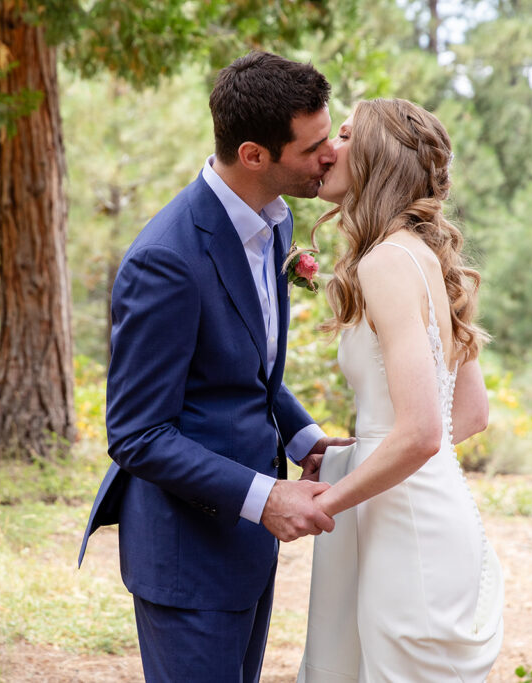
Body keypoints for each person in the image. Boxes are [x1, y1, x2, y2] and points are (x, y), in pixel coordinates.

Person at [77, 51, 352, 683]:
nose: (330, 157)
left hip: (244, 548)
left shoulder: (274, 224)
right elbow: (136, 434)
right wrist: (267, 497)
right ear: (254, 154)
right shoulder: (165, 260)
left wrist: (306, 440)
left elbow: (248, 369)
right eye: (313, 149)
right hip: (188, 553)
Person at [296, 98, 505, 682]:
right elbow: (470, 412)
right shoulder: (428, 260)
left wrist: (323, 505)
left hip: (406, 530)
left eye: (343, 134)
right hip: (429, 510)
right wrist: (367, 448)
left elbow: (420, 431)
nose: (328, 149)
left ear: (377, 157)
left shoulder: (386, 263)